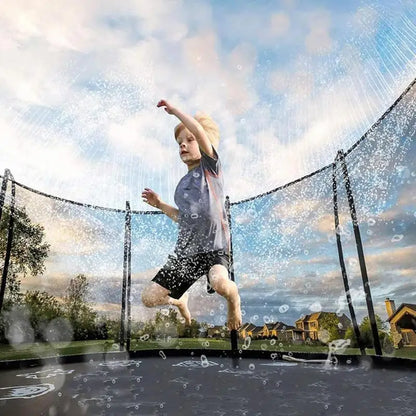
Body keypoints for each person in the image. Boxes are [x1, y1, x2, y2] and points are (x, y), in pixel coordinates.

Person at [140, 99, 242, 331]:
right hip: (187, 253)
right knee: (149, 298)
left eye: (189, 140)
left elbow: (197, 129)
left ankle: (234, 301)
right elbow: (184, 220)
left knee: (219, 284)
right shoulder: (181, 187)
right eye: (179, 143)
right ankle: (180, 300)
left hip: (214, 249)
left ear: (204, 143)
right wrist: (160, 204)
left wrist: (175, 112)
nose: (183, 145)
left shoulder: (211, 169)